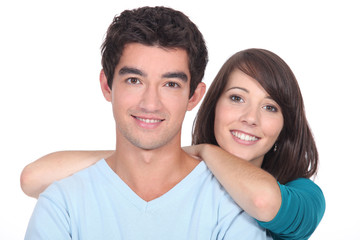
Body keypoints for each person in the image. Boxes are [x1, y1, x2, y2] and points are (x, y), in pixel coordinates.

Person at [22, 47, 326, 240]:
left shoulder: (304, 193)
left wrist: (202, 151)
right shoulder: (190, 182)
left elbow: (262, 201)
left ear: (286, 125)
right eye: (236, 98)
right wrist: (143, 156)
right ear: (211, 103)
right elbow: (32, 179)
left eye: (270, 107)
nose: (250, 118)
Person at [24, 6, 271, 240]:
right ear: (107, 85)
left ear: (194, 96)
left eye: (171, 84)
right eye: (134, 80)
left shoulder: (230, 206)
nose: (150, 103)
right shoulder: (62, 205)